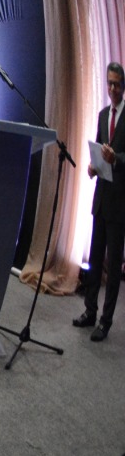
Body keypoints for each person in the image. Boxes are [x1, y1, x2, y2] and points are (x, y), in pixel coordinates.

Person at [75, 62, 125, 342]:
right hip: (101, 199)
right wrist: (93, 167)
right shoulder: (103, 114)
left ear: (124, 85)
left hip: (120, 202)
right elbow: (97, 147)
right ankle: (90, 312)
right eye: (109, 83)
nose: (112, 89)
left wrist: (116, 159)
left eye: (117, 84)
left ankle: (106, 321)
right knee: (94, 259)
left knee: (113, 262)